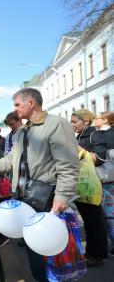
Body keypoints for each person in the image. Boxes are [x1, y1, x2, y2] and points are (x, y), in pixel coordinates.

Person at [0, 88, 80, 282]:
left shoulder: (56, 125)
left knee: (52, 254)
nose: (15, 109)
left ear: (31, 103)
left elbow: (68, 165)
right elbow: (10, 159)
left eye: (17, 104)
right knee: (34, 253)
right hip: (24, 200)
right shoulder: (22, 131)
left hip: (46, 199)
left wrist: (62, 196)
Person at [70, 109, 108, 266]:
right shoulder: (78, 137)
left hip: (92, 185)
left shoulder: (95, 135)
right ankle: (90, 253)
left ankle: (97, 256)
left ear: (85, 122)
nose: (72, 125)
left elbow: (99, 158)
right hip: (81, 185)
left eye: (74, 122)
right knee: (89, 221)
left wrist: (79, 150)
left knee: (95, 221)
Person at [93, 111, 114, 257]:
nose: (95, 120)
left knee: (109, 216)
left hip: (108, 178)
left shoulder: (106, 134)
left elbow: (107, 157)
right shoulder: (101, 133)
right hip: (105, 178)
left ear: (105, 120)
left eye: (98, 118)